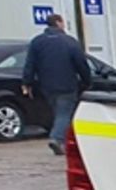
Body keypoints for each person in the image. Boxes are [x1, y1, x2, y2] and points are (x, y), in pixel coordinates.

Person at [22, 13, 93, 155]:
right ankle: (57, 138)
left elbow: (30, 64)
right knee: (64, 113)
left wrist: (27, 82)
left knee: (59, 112)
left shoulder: (37, 42)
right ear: (59, 23)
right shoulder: (69, 41)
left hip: (46, 85)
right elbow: (81, 63)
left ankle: (66, 141)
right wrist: (87, 81)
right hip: (67, 84)